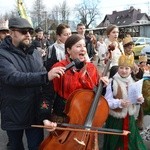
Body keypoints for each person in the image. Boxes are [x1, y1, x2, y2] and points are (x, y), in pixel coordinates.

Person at [0, 17, 66, 150]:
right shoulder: (2, 54)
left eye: (30, 31)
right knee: (15, 146)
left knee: (37, 146)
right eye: (24, 31)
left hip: (35, 113)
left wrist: (45, 112)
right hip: (14, 114)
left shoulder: (35, 53)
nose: (28, 35)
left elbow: (44, 82)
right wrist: (46, 76)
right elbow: (13, 77)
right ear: (12, 33)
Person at [42, 34, 108, 149]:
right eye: (78, 46)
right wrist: (45, 118)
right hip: (64, 119)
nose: (83, 49)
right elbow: (47, 96)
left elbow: (98, 97)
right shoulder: (59, 67)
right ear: (68, 50)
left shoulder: (91, 68)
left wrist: (103, 86)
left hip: (86, 121)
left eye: (84, 46)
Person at [103, 54, 147, 150]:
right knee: (115, 142)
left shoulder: (133, 81)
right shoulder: (112, 82)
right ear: (118, 68)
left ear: (131, 70)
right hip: (115, 118)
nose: (123, 70)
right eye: (121, 68)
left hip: (129, 117)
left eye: (127, 68)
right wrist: (119, 103)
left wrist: (140, 99)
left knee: (131, 140)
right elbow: (106, 102)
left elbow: (137, 97)